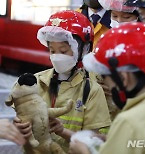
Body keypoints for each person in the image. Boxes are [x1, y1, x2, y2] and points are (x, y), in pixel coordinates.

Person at [69, 23, 145, 154]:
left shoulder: (129, 120)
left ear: (123, 77)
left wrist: (84, 152)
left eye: (107, 80)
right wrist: (116, 140)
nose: (108, 86)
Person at [13, 10, 111, 153]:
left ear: (83, 50)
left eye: (63, 51)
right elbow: (22, 118)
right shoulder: (35, 82)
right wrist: (19, 125)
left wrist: (62, 131)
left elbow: (92, 143)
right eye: (52, 51)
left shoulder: (92, 90)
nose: (57, 57)